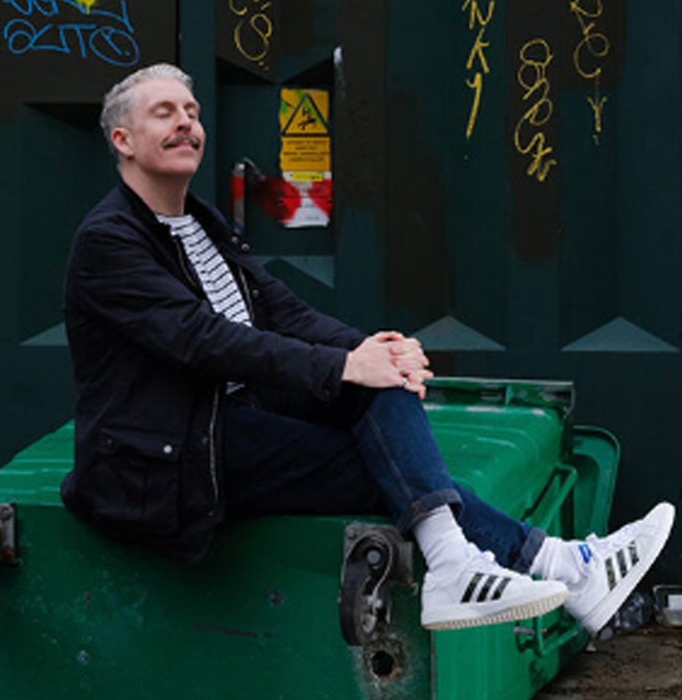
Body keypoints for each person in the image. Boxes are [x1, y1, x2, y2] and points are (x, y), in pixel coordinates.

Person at [61, 63, 675, 635]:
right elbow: (205, 341)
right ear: (122, 140)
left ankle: (478, 567)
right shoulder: (108, 242)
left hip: (228, 414)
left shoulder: (202, 223)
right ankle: (558, 566)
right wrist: (343, 365)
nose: (186, 124)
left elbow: (283, 312)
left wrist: (371, 350)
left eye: (192, 112)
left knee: (384, 384)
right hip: (165, 453)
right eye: (165, 113)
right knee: (389, 468)